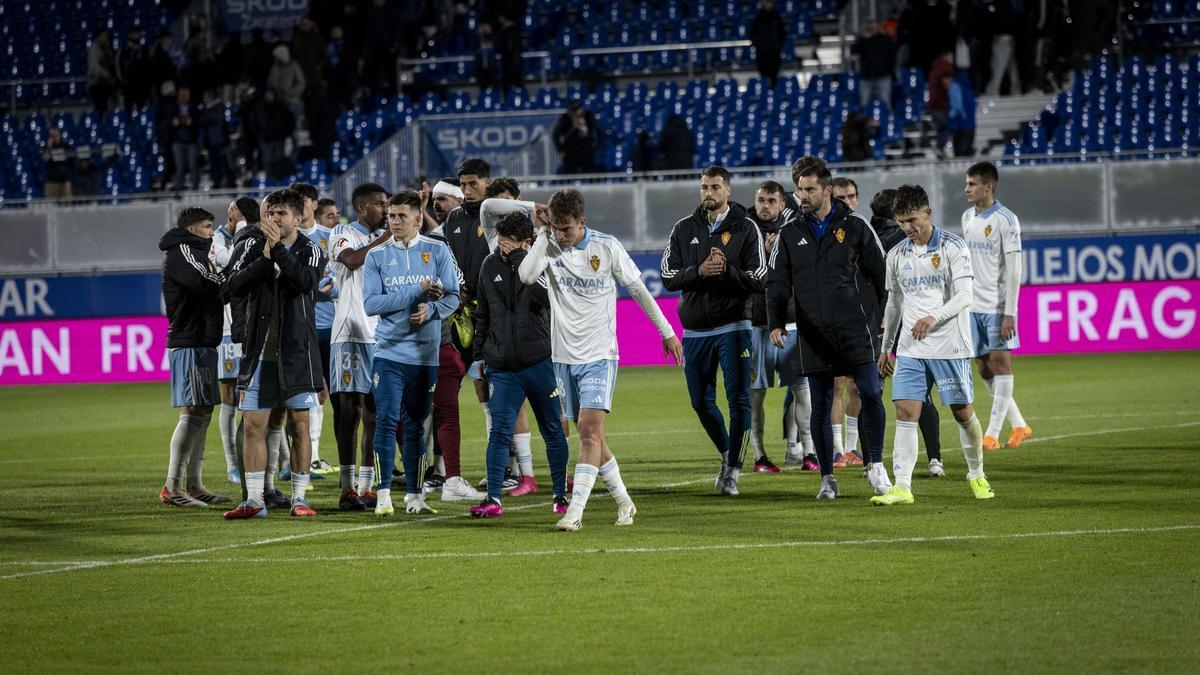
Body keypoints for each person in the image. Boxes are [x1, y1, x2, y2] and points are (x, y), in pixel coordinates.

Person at [518, 188, 683, 531]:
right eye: (556, 227)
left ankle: (575, 512)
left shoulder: (607, 247)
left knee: (589, 431)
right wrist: (543, 235)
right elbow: (527, 275)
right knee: (592, 436)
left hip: (599, 353)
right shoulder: (549, 245)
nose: (562, 234)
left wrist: (666, 331)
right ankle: (624, 502)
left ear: (582, 222)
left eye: (566, 228)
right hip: (563, 356)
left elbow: (638, 289)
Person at [766, 157, 887, 500]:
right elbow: (776, 282)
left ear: (828, 190)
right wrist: (775, 322)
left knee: (870, 393)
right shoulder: (790, 233)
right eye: (799, 190)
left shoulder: (857, 226)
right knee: (820, 404)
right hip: (813, 332)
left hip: (855, 328)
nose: (802, 196)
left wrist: (881, 320)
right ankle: (828, 478)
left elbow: (881, 276)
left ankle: (875, 465)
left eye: (809, 189)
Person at [874, 184, 993, 505]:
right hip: (911, 348)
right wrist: (886, 347)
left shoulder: (954, 247)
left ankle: (976, 473)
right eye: (900, 222)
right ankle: (902, 487)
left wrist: (933, 317)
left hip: (949, 346)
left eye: (912, 220)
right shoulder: (897, 255)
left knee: (962, 412)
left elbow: (965, 296)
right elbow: (894, 304)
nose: (906, 228)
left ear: (927, 213)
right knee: (905, 411)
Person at [660, 166, 765, 496]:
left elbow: (759, 278)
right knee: (700, 402)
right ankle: (726, 453)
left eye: (715, 187)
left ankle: (733, 470)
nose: (709, 192)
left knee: (738, 401)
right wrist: (701, 271)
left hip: (734, 326)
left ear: (728, 190)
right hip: (695, 331)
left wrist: (727, 271)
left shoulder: (746, 227)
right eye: (704, 187)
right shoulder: (683, 228)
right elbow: (668, 277)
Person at [222, 189, 325, 519]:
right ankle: (254, 500)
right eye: (270, 213)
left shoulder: (310, 249)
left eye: (281, 213)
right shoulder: (254, 246)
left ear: (297, 217)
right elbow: (232, 286)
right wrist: (265, 258)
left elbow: (304, 282)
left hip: (297, 354)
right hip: (260, 353)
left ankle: (299, 499)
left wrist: (278, 249)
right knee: (254, 425)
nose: (274, 219)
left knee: (299, 425)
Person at [363, 191, 462, 516]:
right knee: (386, 420)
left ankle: (415, 496)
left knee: (416, 425)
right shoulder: (376, 256)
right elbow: (371, 304)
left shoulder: (438, 250)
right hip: (389, 354)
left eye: (401, 216)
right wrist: (415, 291)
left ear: (418, 218)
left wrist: (431, 310)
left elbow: (453, 296)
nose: (394, 221)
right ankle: (383, 495)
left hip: (424, 357)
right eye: (391, 216)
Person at [469, 211, 570, 518]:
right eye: (501, 242)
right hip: (502, 366)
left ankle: (560, 495)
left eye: (510, 244)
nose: (503, 249)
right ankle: (493, 499)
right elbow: (482, 314)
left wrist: (520, 261)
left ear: (527, 242)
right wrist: (479, 355)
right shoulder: (489, 265)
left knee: (552, 429)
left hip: (539, 361)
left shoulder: (543, 264)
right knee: (499, 432)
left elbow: (547, 299)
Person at [870, 189, 945, 476]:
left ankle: (871, 462)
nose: (906, 226)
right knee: (915, 398)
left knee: (872, 394)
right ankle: (929, 462)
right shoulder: (896, 246)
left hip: (889, 327)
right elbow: (895, 297)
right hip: (909, 332)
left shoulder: (869, 235)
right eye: (902, 219)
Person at [159, 207, 229, 508]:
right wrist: (233, 279)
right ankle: (172, 486)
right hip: (188, 340)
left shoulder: (200, 252)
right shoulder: (181, 252)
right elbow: (206, 284)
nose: (212, 232)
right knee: (191, 412)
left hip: (204, 339)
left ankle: (195, 485)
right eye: (207, 226)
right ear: (191, 229)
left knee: (202, 411)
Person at [961, 161, 1032, 450]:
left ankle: (991, 433)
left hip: (996, 305)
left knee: (1001, 364)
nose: (966, 189)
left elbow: (1014, 269)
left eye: (972, 184)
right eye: (967, 183)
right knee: (982, 366)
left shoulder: (1006, 220)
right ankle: (1020, 425)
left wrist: (1010, 312)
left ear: (988, 187)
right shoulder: (967, 217)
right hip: (972, 305)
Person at [329, 183, 391, 509]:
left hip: (381, 334)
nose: (386, 209)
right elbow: (351, 260)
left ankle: (367, 486)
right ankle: (346, 487)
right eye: (380, 204)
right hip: (351, 332)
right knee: (349, 412)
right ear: (362, 207)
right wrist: (386, 239)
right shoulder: (342, 232)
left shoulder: (387, 237)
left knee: (375, 412)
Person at [744, 180, 812, 473]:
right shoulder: (744, 231)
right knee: (755, 393)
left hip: (791, 323)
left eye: (771, 200)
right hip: (756, 324)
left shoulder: (796, 230)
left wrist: (779, 256)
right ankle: (760, 456)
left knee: (802, 390)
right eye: (761, 200)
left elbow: (805, 272)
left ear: (783, 204)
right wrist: (762, 254)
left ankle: (809, 451)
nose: (765, 205)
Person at [211, 197, 260, 484]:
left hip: (254, 325)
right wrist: (241, 227)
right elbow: (230, 261)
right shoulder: (217, 239)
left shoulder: (256, 235)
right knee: (229, 396)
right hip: (229, 328)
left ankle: (279, 461)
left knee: (261, 394)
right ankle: (232, 464)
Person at [291, 182, 334, 476]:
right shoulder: (289, 239)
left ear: (314, 204)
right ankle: (310, 457)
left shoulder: (330, 238)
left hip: (331, 325)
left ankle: (317, 456)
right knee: (307, 394)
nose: (300, 205)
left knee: (332, 394)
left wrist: (331, 287)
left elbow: (342, 277)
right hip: (301, 326)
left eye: (304, 200)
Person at [853, 20, 896, 109]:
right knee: (864, 104)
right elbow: (854, 51)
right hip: (866, 76)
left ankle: (887, 117)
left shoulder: (884, 39)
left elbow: (892, 54)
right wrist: (863, 39)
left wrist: (890, 72)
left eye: (874, 27)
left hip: (882, 75)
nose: (872, 30)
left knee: (885, 102)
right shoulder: (864, 40)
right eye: (870, 28)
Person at [166, 87, 200, 191]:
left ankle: (195, 189)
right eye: (182, 94)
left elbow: (197, 120)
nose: (184, 96)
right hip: (178, 142)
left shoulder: (193, 106)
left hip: (191, 141)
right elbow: (168, 121)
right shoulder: (173, 107)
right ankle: (179, 189)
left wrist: (191, 121)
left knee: (193, 165)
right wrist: (174, 122)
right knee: (180, 167)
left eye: (186, 93)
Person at [553, 100, 599, 174]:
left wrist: (596, 145)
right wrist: (561, 149)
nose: (577, 112)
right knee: (571, 175)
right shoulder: (566, 119)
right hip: (571, 153)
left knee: (590, 174)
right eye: (574, 110)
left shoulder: (588, 116)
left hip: (587, 152)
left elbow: (597, 130)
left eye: (578, 109)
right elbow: (556, 135)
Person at [748, 0, 786, 87]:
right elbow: (752, 34)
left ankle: (774, 93)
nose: (768, 4)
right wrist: (759, 46)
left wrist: (778, 46)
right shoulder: (758, 18)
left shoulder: (777, 17)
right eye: (766, 2)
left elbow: (782, 34)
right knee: (764, 78)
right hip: (762, 54)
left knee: (774, 78)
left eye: (770, 2)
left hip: (774, 53)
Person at [116, 26, 152, 111]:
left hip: (142, 85)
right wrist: (123, 81)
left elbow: (149, 67)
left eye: (137, 33)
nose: (136, 35)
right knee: (128, 108)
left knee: (141, 109)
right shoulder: (124, 49)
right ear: (129, 34)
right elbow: (119, 66)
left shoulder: (144, 49)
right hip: (129, 85)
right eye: (133, 33)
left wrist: (147, 83)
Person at [927, 50, 956, 157]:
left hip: (933, 104)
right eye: (951, 57)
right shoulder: (945, 68)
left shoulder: (934, 68)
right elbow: (948, 84)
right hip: (940, 104)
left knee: (941, 128)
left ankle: (940, 149)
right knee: (946, 127)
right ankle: (939, 148)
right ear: (946, 56)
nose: (952, 60)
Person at [86, 29, 118, 113]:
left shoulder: (107, 49)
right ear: (98, 37)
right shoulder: (93, 50)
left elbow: (112, 63)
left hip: (107, 85)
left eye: (106, 36)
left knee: (109, 109)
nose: (105, 38)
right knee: (99, 109)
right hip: (96, 84)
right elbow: (94, 67)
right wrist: (106, 74)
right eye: (102, 36)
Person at [42, 128, 74, 200]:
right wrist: (49, 147)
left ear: (60, 136)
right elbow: (45, 159)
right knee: (51, 204)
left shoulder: (66, 146)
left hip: (64, 181)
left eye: (56, 136)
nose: (55, 138)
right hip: (52, 181)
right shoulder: (47, 148)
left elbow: (71, 161)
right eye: (52, 136)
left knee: (66, 204)